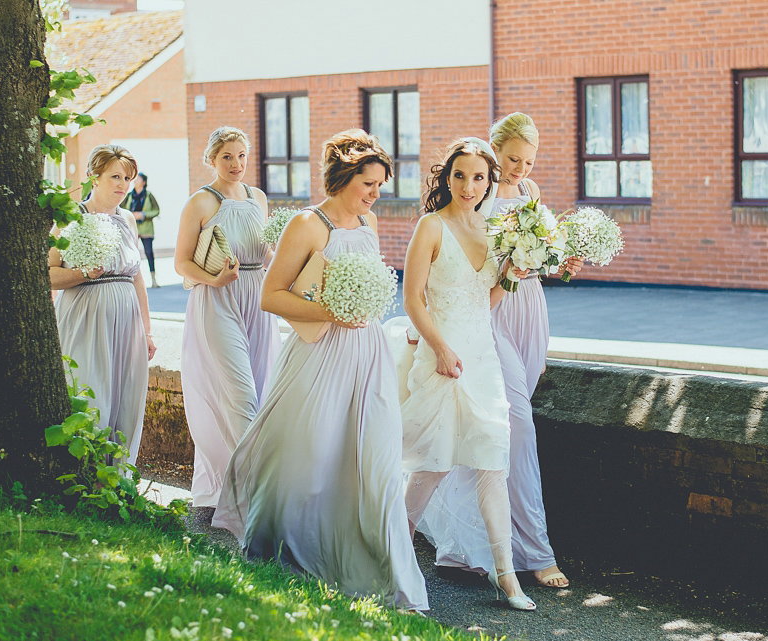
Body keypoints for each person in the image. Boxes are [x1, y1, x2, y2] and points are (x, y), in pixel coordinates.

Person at [212, 129, 428, 611]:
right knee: (309, 455)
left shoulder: (368, 224)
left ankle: (385, 564)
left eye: (379, 186)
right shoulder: (307, 225)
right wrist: (333, 312)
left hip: (368, 353)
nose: (375, 195)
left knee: (375, 458)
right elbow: (272, 295)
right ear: (344, 178)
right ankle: (281, 543)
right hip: (320, 354)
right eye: (368, 184)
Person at [419, 114, 579, 589]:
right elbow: (458, 264)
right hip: (488, 312)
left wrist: (556, 258)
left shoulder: (529, 193)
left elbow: (535, 256)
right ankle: (534, 550)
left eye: (528, 161)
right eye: (511, 159)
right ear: (494, 151)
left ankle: (468, 541)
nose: (518, 168)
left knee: (491, 430)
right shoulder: (478, 191)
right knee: (517, 428)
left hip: (528, 308)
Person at [396, 137, 536, 611]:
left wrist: (514, 273)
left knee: (493, 465)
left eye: (479, 177)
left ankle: (508, 578)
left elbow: (487, 299)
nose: (469, 185)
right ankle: (392, 555)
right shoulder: (430, 227)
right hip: (442, 356)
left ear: (490, 181)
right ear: (446, 177)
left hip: (483, 359)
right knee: (432, 465)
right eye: (460, 175)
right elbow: (413, 299)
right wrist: (438, 348)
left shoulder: (497, 231)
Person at [176, 126, 283, 522]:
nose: (236, 164)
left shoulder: (258, 198)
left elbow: (266, 251)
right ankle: (254, 494)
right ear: (211, 159)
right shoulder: (201, 202)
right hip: (217, 298)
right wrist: (215, 279)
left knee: (260, 383)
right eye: (227, 157)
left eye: (241, 155)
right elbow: (181, 262)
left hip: (257, 297)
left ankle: (235, 483)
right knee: (240, 395)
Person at [49, 144, 157, 466]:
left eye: (127, 177)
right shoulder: (72, 217)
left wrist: (147, 331)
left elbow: (137, 278)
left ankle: (119, 477)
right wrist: (82, 273)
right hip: (85, 321)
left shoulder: (128, 219)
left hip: (126, 325)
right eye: (115, 176)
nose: (123, 184)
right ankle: (86, 475)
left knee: (126, 399)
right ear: (94, 177)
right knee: (90, 393)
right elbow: (48, 274)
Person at [121, 172, 161, 288]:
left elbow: (156, 210)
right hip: (132, 229)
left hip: (146, 229)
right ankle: (130, 280)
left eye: (138, 179)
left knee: (149, 253)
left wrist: (143, 215)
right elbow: (121, 209)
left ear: (144, 182)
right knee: (131, 254)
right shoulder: (129, 196)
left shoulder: (149, 195)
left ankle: (153, 279)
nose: (136, 180)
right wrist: (131, 215)